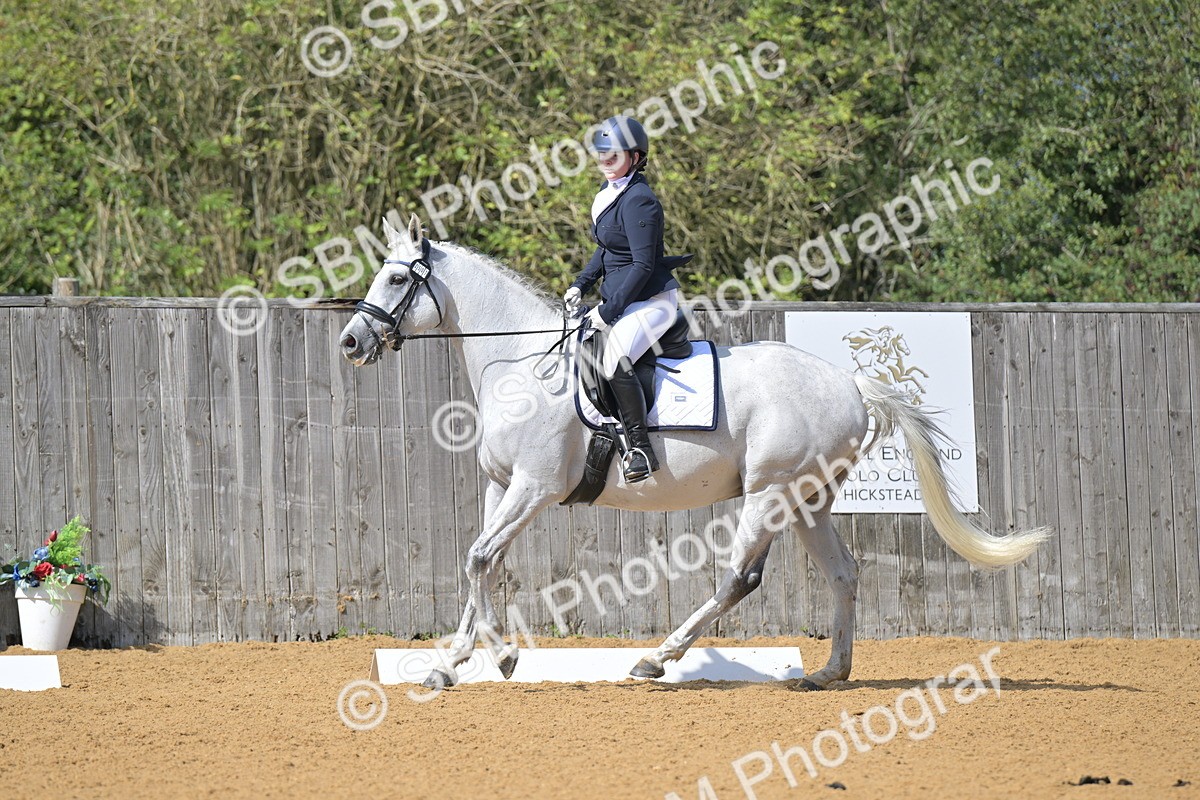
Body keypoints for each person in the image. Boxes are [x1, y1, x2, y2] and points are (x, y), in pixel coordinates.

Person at [563, 116, 686, 483]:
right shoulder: (609, 191)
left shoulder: (639, 200)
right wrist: (580, 283)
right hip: (622, 299)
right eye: (601, 152)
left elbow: (642, 263)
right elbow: (606, 249)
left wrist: (608, 309)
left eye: (613, 153)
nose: (605, 158)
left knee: (615, 356)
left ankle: (641, 450)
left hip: (652, 302)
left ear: (634, 156)